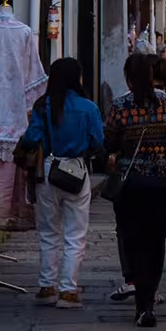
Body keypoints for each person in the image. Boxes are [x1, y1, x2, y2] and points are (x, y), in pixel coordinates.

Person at [103, 51, 166, 327]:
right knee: (156, 241)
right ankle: (148, 301)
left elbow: (110, 144)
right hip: (161, 183)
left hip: (131, 185)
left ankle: (141, 303)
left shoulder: (120, 106)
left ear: (127, 78)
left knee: (134, 240)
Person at [23, 56, 104, 308]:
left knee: (48, 233)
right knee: (75, 234)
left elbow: (30, 137)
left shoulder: (42, 105)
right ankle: (68, 290)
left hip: (47, 170)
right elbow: (98, 143)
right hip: (76, 170)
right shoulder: (88, 108)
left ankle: (47, 287)